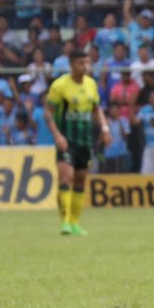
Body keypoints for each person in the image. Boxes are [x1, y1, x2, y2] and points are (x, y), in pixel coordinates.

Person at [44, 49, 112, 237]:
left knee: (81, 180)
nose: (86, 67)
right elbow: (48, 113)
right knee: (66, 177)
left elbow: (96, 109)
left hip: (85, 140)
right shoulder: (60, 86)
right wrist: (57, 136)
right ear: (72, 64)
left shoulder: (91, 84)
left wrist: (105, 129)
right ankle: (64, 221)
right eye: (82, 63)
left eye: (88, 63)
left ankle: (74, 223)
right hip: (66, 140)